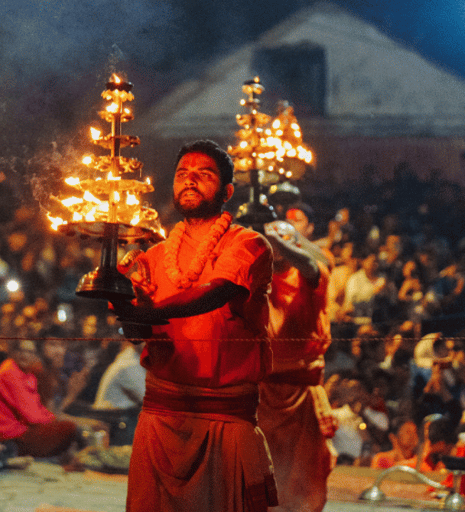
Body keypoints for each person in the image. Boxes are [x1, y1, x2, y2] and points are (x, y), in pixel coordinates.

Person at [112, 140, 277, 512]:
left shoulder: (249, 244)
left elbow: (214, 293)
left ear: (227, 192)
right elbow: (138, 335)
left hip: (224, 415)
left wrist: (149, 314)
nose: (190, 181)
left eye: (204, 175)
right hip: (162, 412)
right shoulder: (152, 255)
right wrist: (121, 298)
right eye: (183, 174)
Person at [257, 218, 336, 512]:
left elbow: (310, 268)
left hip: (301, 394)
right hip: (262, 392)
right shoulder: (257, 276)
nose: (275, 251)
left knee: (303, 481)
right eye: (271, 244)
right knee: (260, 473)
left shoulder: (311, 275)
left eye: (282, 244)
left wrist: (285, 246)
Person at [0, 338, 79, 458]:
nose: (25, 355)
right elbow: (32, 416)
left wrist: (52, 419)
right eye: (21, 350)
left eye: (30, 352)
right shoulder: (10, 371)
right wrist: (55, 420)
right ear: (14, 352)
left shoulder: (28, 373)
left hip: (19, 431)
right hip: (6, 436)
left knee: (66, 429)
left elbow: (38, 408)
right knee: (69, 428)